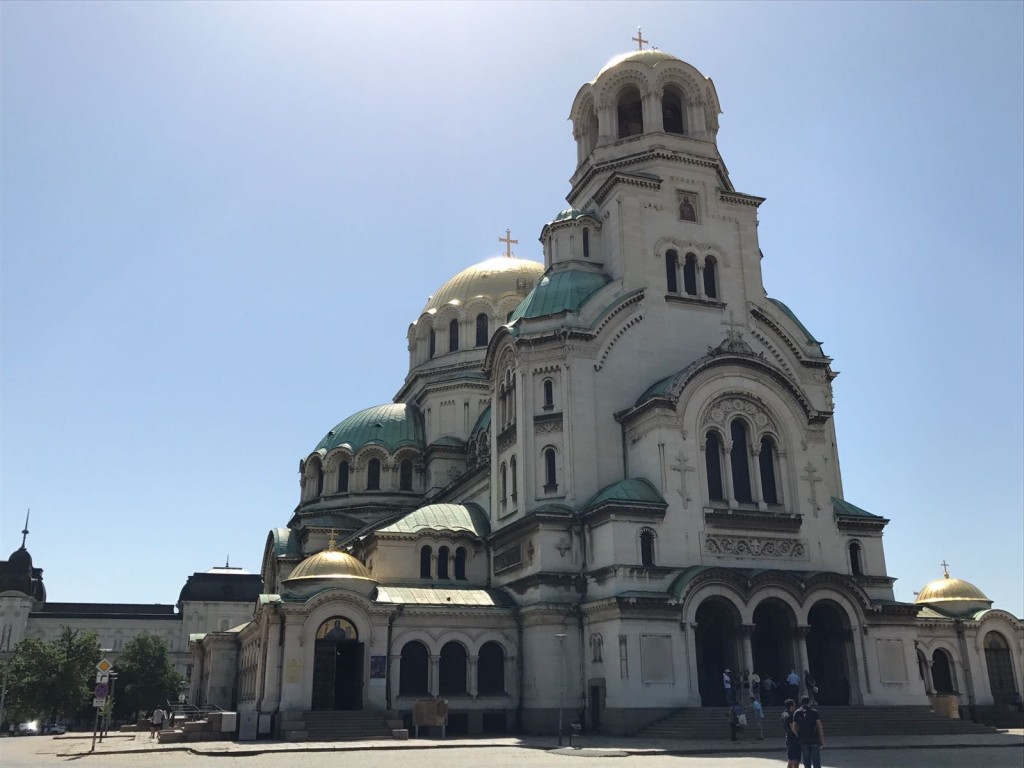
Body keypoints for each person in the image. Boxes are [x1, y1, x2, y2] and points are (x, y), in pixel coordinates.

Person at [792, 695, 825, 768]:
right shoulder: (814, 712)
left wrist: (798, 735)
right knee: (816, 760)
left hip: (803, 739)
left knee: (806, 760)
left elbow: (794, 727)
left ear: (801, 702)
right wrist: (821, 739)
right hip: (814, 739)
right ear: (809, 702)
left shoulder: (797, 712)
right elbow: (819, 726)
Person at [781, 698, 801, 768]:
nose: (795, 707)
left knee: (790, 759)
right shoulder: (790, 716)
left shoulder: (783, 714)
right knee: (796, 760)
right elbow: (793, 728)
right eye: (794, 705)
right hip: (794, 739)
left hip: (788, 738)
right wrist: (799, 736)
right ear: (791, 706)